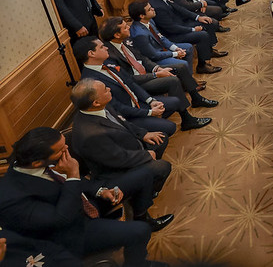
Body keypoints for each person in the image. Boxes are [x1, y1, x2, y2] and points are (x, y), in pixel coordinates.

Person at [0, 126, 167, 267]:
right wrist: (73, 174)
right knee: (140, 231)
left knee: (144, 175)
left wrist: (101, 191)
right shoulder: (12, 197)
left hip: (84, 201)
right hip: (72, 230)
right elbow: (60, 219)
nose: (67, 152)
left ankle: (142, 215)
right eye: (62, 150)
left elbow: (70, 180)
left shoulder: (43, 161)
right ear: (37, 163)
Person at [69, 80, 175, 231]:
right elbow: (118, 159)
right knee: (162, 167)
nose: (109, 88)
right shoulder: (90, 134)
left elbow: (123, 123)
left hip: (128, 148)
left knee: (160, 138)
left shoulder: (100, 106)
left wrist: (144, 134)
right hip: (114, 171)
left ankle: (149, 189)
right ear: (96, 102)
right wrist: (145, 156)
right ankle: (142, 217)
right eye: (105, 89)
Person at [75, 37, 179, 136]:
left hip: (139, 103)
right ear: (91, 53)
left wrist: (151, 101)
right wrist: (149, 113)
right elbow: (117, 108)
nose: (106, 47)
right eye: (102, 47)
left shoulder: (108, 63)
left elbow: (131, 83)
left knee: (175, 102)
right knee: (170, 127)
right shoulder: (91, 82)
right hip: (128, 116)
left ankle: (155, 122)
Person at [148, 0, 227, 74]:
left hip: (180, 23)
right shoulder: (157, 6)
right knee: (202, 35)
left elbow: (181, 9)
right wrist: (193, 30)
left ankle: (209, 50)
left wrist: (198, 17)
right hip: (173, 34)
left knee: (207, 22)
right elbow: (171, 28)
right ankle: (202, 66)